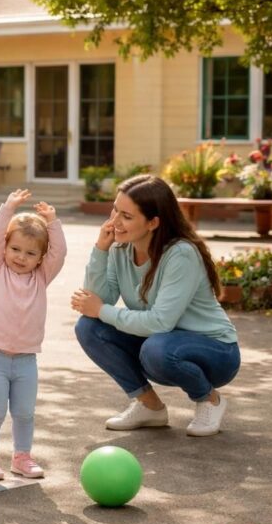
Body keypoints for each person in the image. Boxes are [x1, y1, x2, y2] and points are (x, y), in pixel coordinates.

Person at [71, 174, 240, 437]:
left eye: (126, 216)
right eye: (115, 210)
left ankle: (209, 400)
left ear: (153, 222)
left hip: (215, 351)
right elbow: (96, 301)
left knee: (156, 348)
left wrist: (100, 309)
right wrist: (100, 251)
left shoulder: (180, 254)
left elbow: (160, 322)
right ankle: (149, 406)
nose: (114, 222)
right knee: (89, 327)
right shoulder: (120, 249)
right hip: (159, 343)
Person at [0, 189, 66, 481]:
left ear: (40, 258)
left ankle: (22, 457)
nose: (21, 257)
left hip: (26, 360)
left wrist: (52, 222)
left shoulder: (41, 277)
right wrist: (8, 208)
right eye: (15, 249)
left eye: (30, 253)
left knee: (25, 413)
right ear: (5, 248)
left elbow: (59, 253)